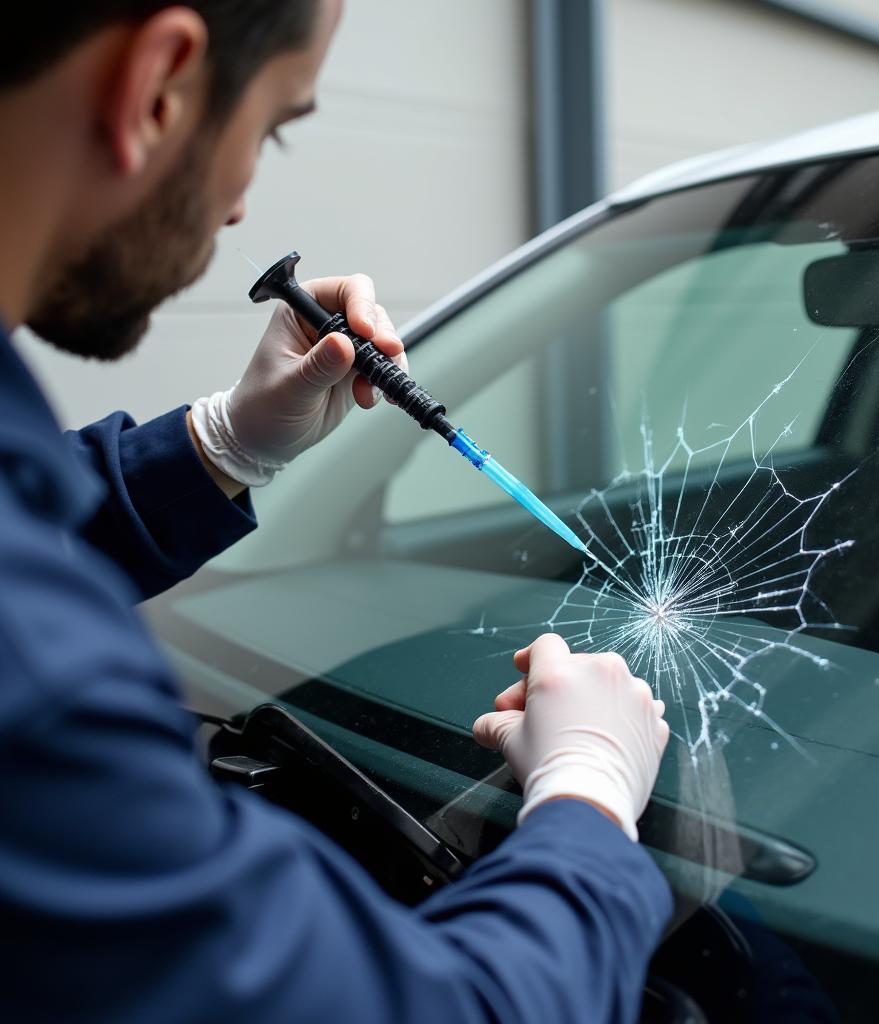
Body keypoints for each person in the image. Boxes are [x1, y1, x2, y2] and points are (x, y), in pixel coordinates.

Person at [0, 2, 672, 1021]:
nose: (237, 209)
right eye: (272, 126)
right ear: (160, 87)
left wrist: (214, 446)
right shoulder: (46, 698)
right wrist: (585, 806)